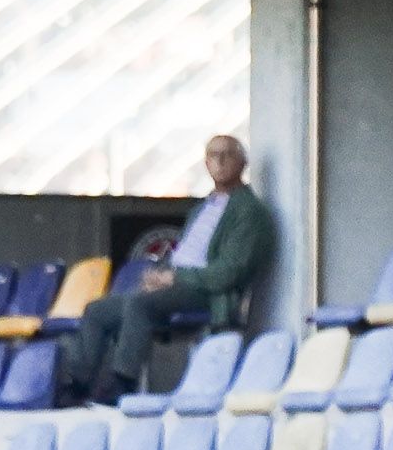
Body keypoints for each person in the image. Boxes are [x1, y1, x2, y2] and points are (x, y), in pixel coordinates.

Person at [59, 135, 275, 407]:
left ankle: (123, 381)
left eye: (227, 155)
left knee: (140, 303)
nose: (219, 161)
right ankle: (77, 385)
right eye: (213, 155)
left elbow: (228, 273)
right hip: (177, 284)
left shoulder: (249, 211)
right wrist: (161, 276)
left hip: (207, 291)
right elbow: (185, 255)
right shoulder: (201, 208)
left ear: (243, 163)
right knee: (97, 310)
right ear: (205, 163)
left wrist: (176, 277)